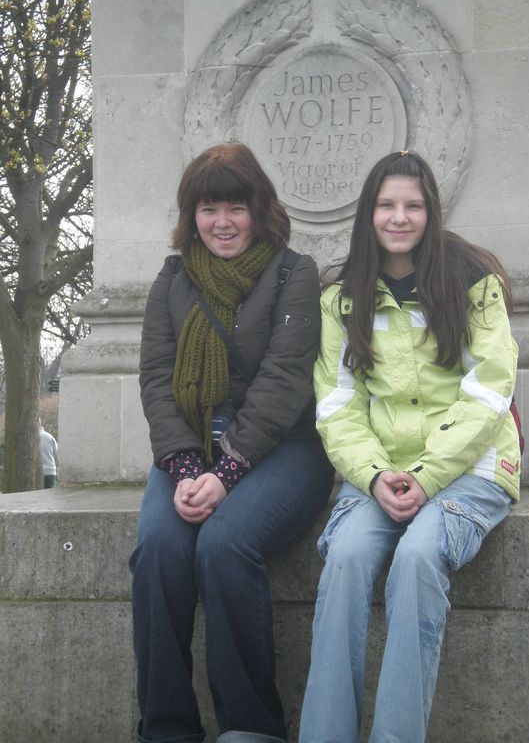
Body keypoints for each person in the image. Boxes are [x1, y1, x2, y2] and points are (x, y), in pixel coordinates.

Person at [299, 151, 521, 743]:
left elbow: (488, 392)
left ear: (432, 211)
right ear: (368, 213)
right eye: (387, 205)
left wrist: (425, 476)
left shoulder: (474, 283)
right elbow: (338, 406)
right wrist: (375, 475)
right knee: (346, 559)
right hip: (380, 472)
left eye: (413, 206)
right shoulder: (341, 298)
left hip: (470, 467)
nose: (399, 218)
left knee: (419, 557)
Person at [130, 142, 334, 743]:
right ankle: (165, 728)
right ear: (191, 214)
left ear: (259, 210)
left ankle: (250, 727)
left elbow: (284, 380)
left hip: (283, 449)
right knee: (158, 551)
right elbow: (156, 379)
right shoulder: (172, 280)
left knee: (223, 545)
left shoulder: (294, 273)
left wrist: (226, 473)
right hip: (189, 448)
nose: (222, 222)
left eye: (235, 208)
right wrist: (186, 466)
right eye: (208, 208)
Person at [38, 421, 58, 489]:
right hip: (51, 472)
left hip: (36, 473)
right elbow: (56, 456)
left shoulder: (30, 438)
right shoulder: (50, 437)